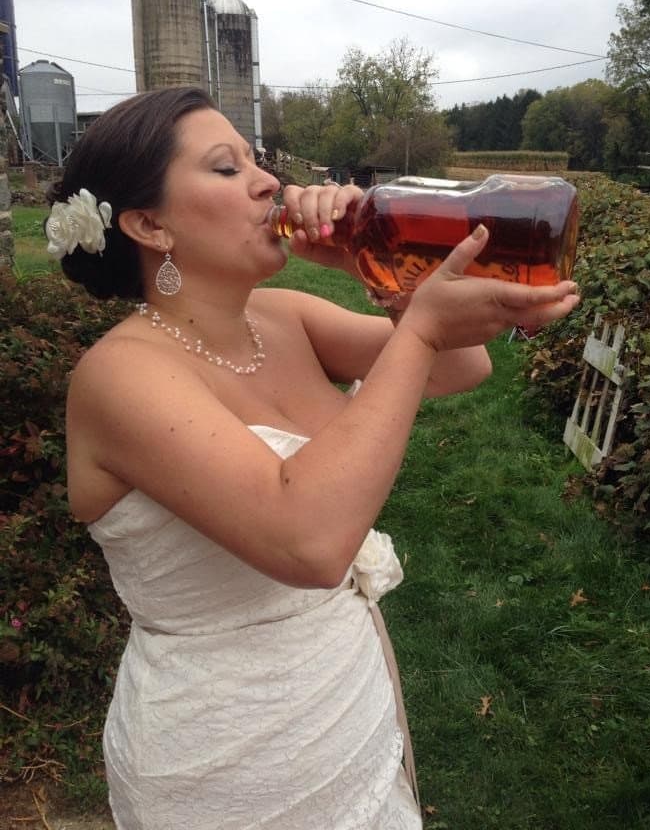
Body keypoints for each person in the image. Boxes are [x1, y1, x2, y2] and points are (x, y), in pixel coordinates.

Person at [46, 87, 580, 830]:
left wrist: (380, 270)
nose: (268, 181)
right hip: (225, 761)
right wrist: (419, 332)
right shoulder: (119, 376)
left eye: (256, 161)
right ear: (148, 224)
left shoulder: (280, 318)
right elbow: (311, 541)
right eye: (226, 169)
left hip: (344, 708)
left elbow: (465, 369)